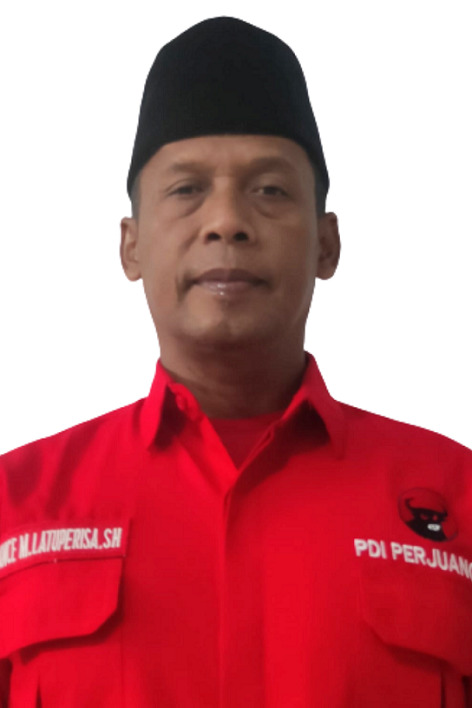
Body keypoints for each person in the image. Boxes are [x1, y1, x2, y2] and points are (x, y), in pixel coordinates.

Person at [0, 16, 471, 708]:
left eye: (270, 190)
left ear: (326, 244)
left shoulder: (458, 498)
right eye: (186, 189)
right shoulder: (16, 506)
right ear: (131, 246)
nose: (227, 221)